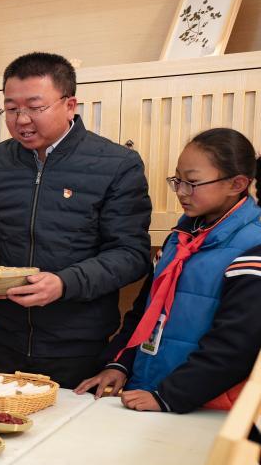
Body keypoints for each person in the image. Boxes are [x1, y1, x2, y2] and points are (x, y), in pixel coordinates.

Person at [0, 52, 152, 389]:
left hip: (79, 346)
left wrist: (64, 284)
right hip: (4, 339)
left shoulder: (117, 164)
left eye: (35, 107)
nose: (21, 120)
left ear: (69, 105)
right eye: (11, 109)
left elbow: (131, 254)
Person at [75, 129, 261, 413]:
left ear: (236, 184)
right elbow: (144, 312)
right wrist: (119, 364)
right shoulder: (179, 237)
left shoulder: (252, 246)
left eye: (193, 183)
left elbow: (235, 346)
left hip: (204, 406)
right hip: (151, 390)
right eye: (178, 180)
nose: (181, 192)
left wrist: (169, 395)